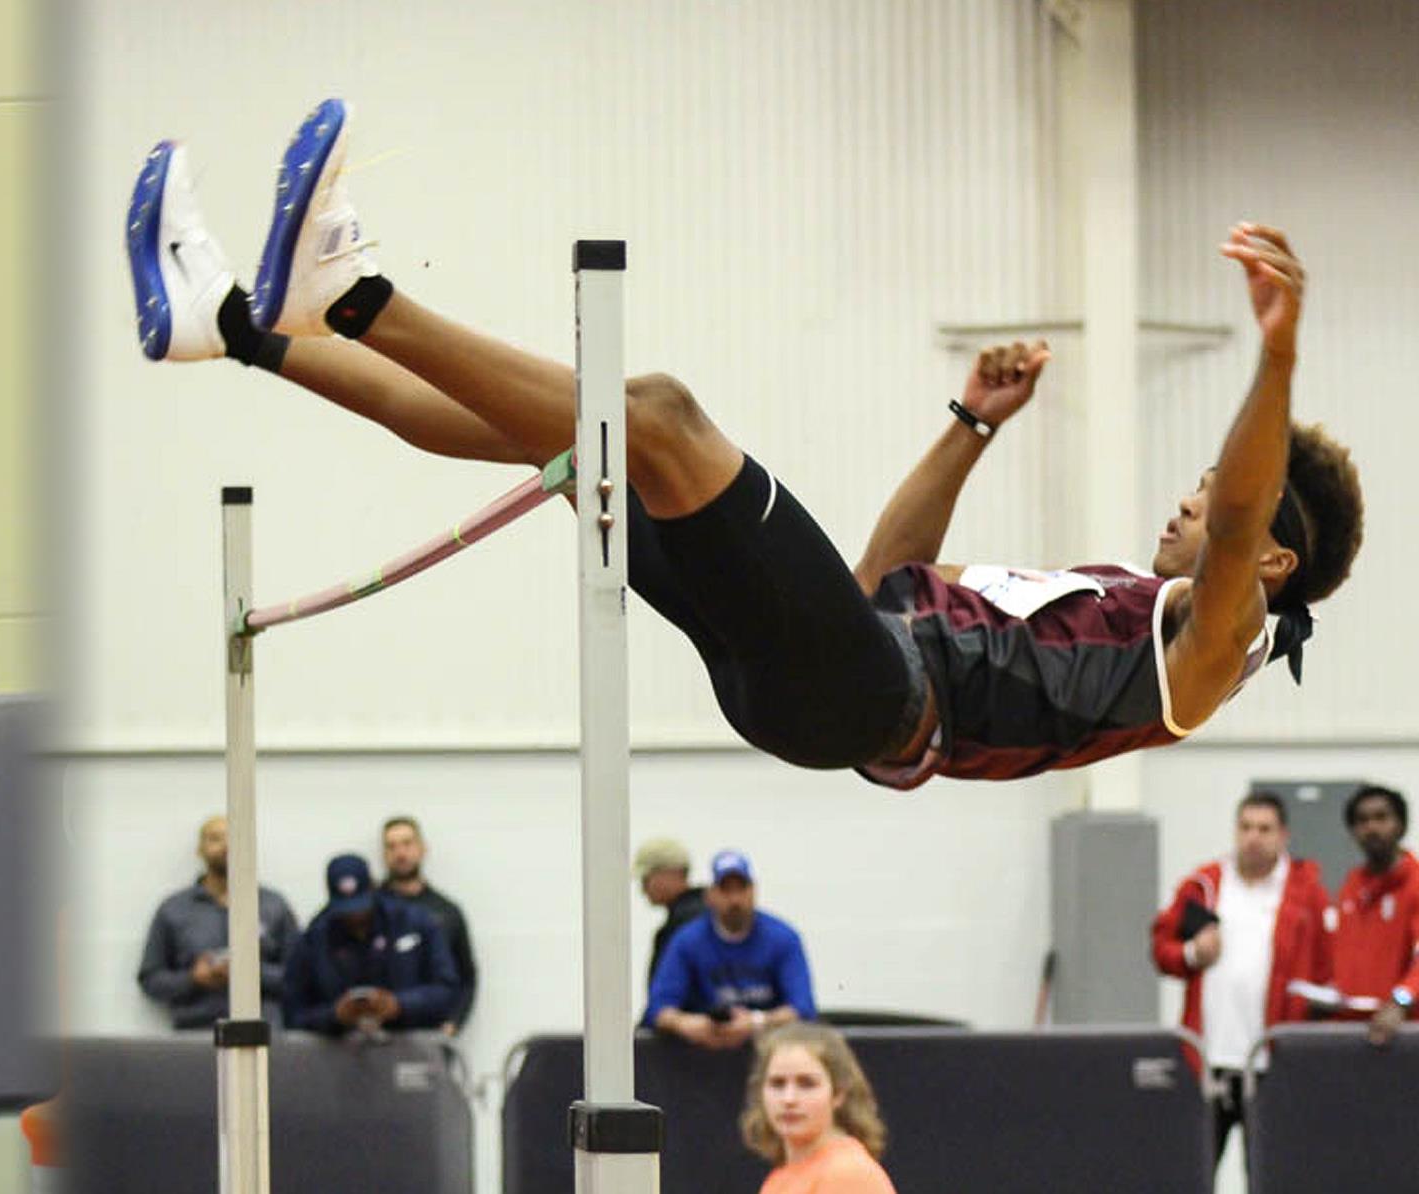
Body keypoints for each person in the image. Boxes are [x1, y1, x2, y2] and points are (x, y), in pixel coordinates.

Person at [125, 99, 1363, 789]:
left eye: (1206, 506)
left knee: (654, 414)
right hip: (844, 669)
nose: (1185, 509)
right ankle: (232, 329)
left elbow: (1250, 511)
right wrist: (967, 428)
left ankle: (354, 298)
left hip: (867, 705)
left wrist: (1276, 356)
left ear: (1266, 566)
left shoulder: (1206, 657)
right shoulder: (1114, 597)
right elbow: (884, 579)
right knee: (568, 453)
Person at [1149, 790, 1329, 1166]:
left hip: (1271, 1062)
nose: (1254, 837)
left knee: (1271, 1172)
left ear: (1284, 835)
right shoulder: (1205, 886)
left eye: (1265, 828)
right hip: (1207, 1060)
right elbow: (1161, 950)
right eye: (1246, 827)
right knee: (1192, 1169)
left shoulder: (1306, 893)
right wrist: (1192, 953)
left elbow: (1325, 970)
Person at [137, 814, 300, 1028]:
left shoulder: (274, 906)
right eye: (215, 838)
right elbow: (150, 979)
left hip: (263, 1035)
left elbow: (300, 978)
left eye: (234, 839)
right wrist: (192, 979)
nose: (226, 846)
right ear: (200, 849)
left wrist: (251, 972)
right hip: (196, 1035)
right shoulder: (173, 909)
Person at [645, 851, 814, 1050]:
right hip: (702, 1057)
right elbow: (658, 1009)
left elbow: (803, 1008)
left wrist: (759, 1022)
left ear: (753, 891)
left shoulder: (783, 938)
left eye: (741, 889)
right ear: (710, 895)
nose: (735, 900)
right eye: (725, 890)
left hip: (770, 1053)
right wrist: (685, 1023)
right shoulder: (687, 941)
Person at [282, 854, 458, 1036]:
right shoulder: (315, 938)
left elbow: (447, 991)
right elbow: (293, 1014)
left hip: (409, 1048)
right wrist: (334, 1015)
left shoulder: (413, 922)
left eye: (360, 906)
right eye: (347, 909)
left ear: (373, 887)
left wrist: (398, 1004)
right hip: (337, 1056)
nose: (355, 916)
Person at [740, 1023, 895, 1194]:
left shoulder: (848, 1173)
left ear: (838, 1093)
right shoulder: (780, 1178)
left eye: (807, 1084)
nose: (789, 1099)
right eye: (777, 1084)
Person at [1328, 785, 1419, 1046]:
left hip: (1403, 1033)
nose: (1372, 827)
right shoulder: (1351, 886)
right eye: (1363, 820)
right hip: (1351, 1032)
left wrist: (1401, 1001)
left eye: (1381, 818)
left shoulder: (1415, 883)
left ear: (1400, 826)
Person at [379, 816, 476, 1034]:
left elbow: (466, 976)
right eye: (391, 846)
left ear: (422, 848)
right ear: (384, 855)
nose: (400, 853)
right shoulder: (368, 911)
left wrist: (454, 1021)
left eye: (407, 843)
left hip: (430, 1034)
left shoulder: (446, 912)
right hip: (379, 1038)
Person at [634, 837, 706, 985]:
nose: (643, 889)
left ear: (671, 873)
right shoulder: (709, 913)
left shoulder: (681, 924)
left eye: (646, 879)